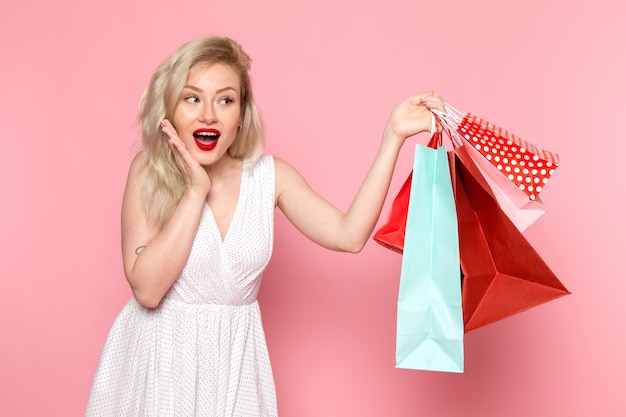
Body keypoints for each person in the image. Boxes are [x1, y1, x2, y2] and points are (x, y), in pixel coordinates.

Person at [85, 35, 445, 416]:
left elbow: (349, 236)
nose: (209, 114)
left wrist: (392, 136)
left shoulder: (269, 178)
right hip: (157, 367)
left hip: (236, 369)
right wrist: (195, 192)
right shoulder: (149, 171)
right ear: (170, 108)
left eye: (225, 100)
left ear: (241, 115)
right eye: (192, 98)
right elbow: (147, 290)